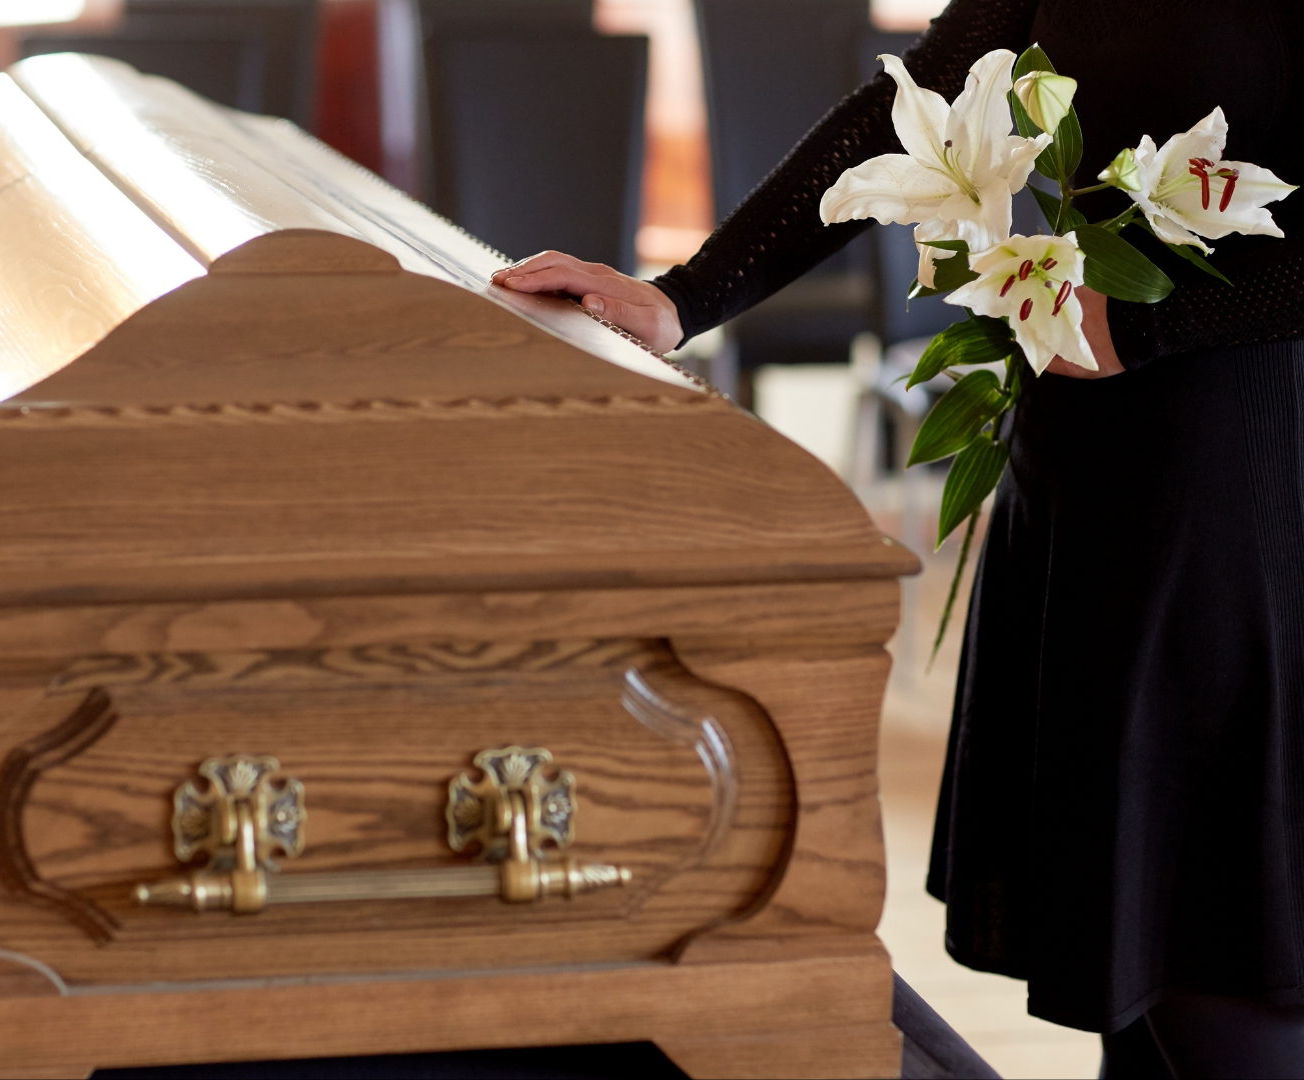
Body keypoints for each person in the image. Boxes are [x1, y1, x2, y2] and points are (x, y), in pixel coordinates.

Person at [493, 1, 1304, 1075]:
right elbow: (901, 112)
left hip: (1238, 483)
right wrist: (683, 300)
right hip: (1086, 465)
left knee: (1225, 957)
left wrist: (1150, 321)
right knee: (1137, 953)